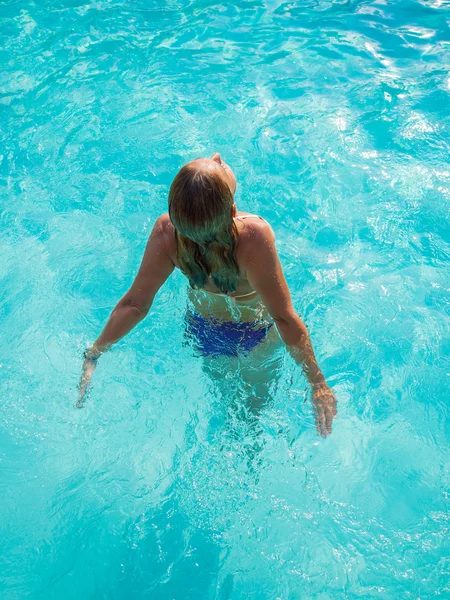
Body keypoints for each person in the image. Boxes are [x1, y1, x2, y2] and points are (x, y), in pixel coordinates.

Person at [79, 153, 337, 437]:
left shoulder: (167, 232)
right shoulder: (253, 237)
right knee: (249, 421)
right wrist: (318, 383)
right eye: (220, 166)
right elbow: (284, 319)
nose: (218, 158)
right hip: (257, 337)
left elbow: (134, 305)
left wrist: (94, 354)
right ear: (232, 211)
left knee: (224, 410)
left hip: (204, 333)